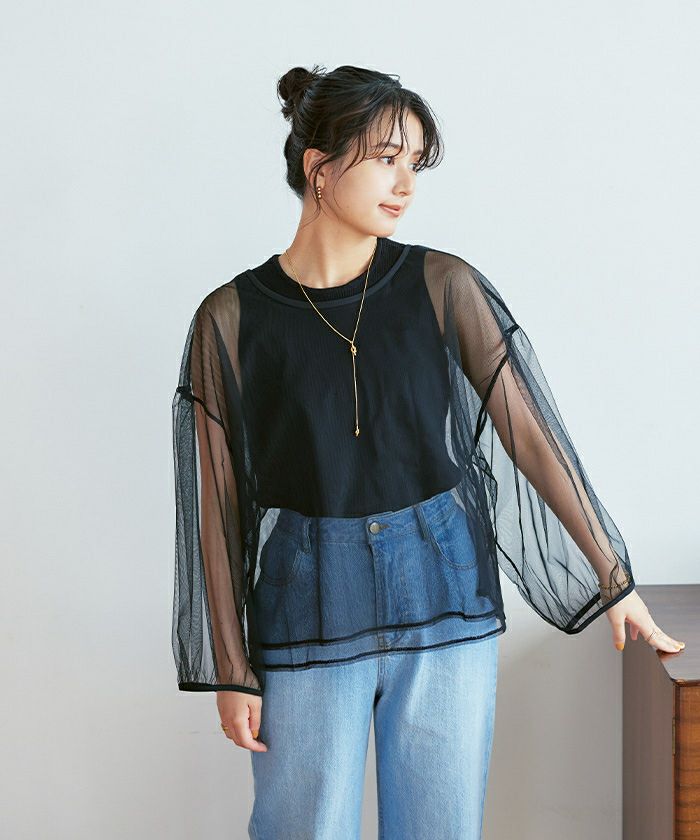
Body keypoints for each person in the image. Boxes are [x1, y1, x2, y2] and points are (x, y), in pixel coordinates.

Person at [171, 64, 686, 840]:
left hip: (443, 592)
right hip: (308, 603)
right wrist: (230, 668)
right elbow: (217, 504)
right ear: (319, 167)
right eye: (387, 159)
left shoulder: (444, 285)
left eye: (414, 162)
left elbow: (530, 436)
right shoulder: (231, 318)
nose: (406, 184)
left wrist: (614, 578)